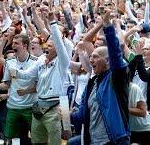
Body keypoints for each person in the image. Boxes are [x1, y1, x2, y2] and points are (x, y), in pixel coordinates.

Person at [71, 11, 130, 144]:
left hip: (113, 140)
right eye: (91, 56)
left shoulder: (116, 79)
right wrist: (66, 116)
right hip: (93, 140)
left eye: (96, 56)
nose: (91, 59)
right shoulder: (92, 83)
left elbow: (115, 54)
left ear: (108, 61)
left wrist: (108, 27)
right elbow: (82, 115)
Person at [11, 12, 70, 144]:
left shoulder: (62, 61)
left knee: (55, 142)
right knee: (37, 142)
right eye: (46, 45)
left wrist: (53, 23)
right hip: (39, 108)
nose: (46, 47)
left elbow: (60, 44)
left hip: (55, 107)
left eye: (50, 45)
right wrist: (14, 70)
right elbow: (27, 75)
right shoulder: (42, 59)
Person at [0, 34, 38, 144]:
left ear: (25, 46)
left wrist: (27, 91)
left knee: (35, 138)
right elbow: (6, 84)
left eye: (16, 43)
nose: (13, 45)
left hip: (30, 107)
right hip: (13, 106)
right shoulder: (10, 62)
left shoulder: (36, 62)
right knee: (9, 138)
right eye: (13, 43)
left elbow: (41, 87)